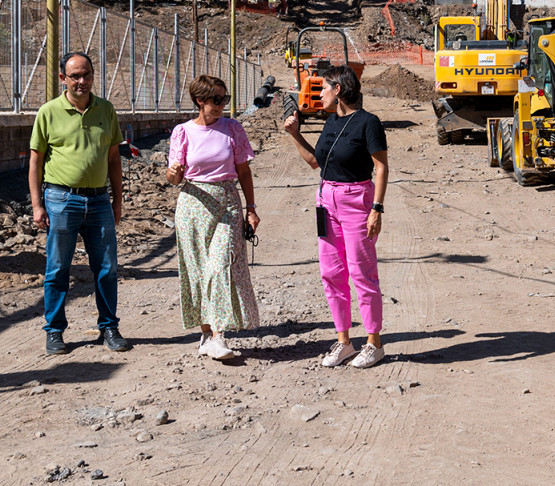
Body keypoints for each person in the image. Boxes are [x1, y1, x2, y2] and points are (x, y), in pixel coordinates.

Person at [283, 66, 389, 369]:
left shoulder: (369, 123)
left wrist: (376, 209)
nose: (320, 95)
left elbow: (381, 167)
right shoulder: (330, 122)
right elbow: (316, 162)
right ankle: (344, 342)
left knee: (361, 273)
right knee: (331, 274)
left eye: (323, 89)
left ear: (338, 90)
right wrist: (295, 135)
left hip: (357, 202)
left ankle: (374, 343)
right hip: (326, 201)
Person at [29, 52, 127, 355]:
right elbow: (36, 161)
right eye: (75, 76)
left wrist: (117, 200)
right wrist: (37, 205)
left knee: (107, 268)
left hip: (98, 201)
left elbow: (113, 159)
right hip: (61, 199)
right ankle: (55, 331)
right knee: (57, 269)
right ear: (63, 79)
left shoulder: (106, 110)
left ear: (93, 75)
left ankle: (109, 327)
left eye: (86, 75)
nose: (81, 81)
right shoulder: (48, 112)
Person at [166, 76, 261, 360]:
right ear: (200, 101)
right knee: (196, 270)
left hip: (226, 203)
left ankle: (219, 335)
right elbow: (173, 178)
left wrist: (251, 208)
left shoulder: (233, 129)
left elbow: (243, 171)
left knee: (220, 267)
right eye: (216, 100)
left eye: (224, 99)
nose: (222, 105)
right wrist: (174, 173)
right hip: (192, 205)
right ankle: (206, 333)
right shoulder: (182, 132)